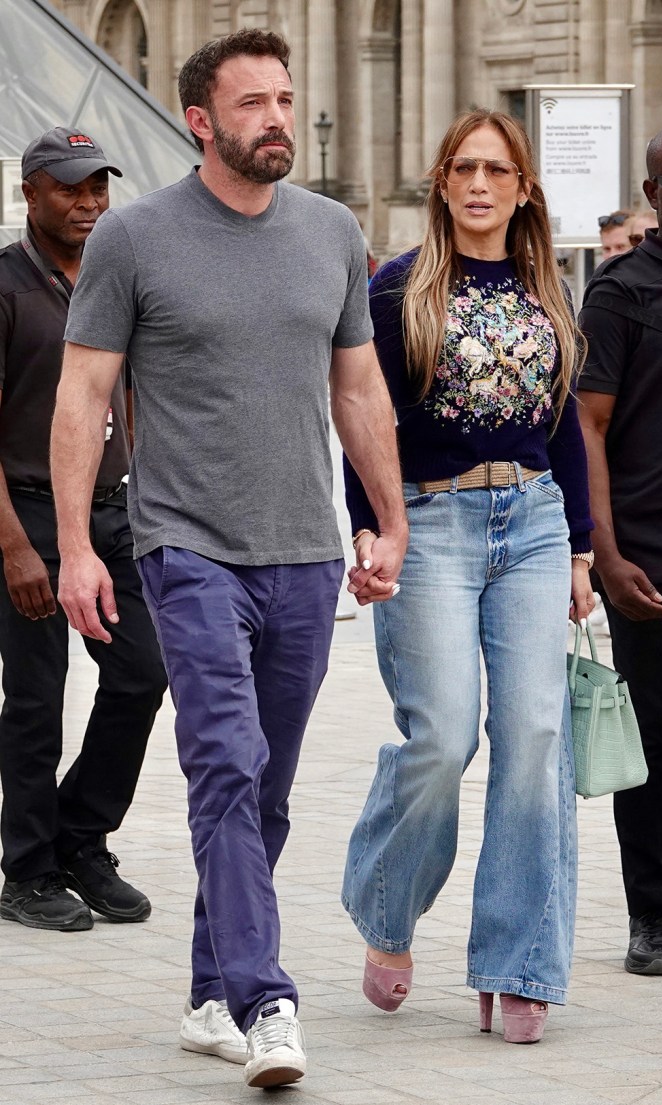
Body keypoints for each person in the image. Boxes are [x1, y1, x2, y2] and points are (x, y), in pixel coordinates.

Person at [49, 30, 407, 1090]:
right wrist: (76, 545)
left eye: (285, 97)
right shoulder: (137, 239)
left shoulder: (332, 233)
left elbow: (357, 390)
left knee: (269, 789)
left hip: (301, 547)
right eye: (252, 102)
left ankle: (210, 988)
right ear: (200, 120)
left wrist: (385, 520)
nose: (277, 117)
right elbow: (81, 398)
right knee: (225, 763)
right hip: (184, 542)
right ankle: (265, 997)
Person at [342, 109, 595, 1044]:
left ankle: (518, 964)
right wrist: (375, 527)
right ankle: (387, 905)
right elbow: (361, 412)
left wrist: (578, 545)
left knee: (534, 735)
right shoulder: (396, 290)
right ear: (442, 184)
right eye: (464, 169)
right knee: (443, 736)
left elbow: (564, 422)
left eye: (498, 170)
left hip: (530, 521)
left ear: (524, 188)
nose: (481, 184)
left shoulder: (550, 289)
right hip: (431, 520)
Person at [0, 128, 167, 933]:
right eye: (71, 187)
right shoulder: (5, 287)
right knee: (34, 696)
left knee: (144, 670)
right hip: (24, 513)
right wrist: (14, 548)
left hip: (112, 511)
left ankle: (78, 834)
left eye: (99, 185)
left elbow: (128, 393)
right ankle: (26, 868)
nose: (90, 201)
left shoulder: (118, 275)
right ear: (31, 193)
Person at [578, 122, 662, 976]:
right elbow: (589, 427)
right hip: (650, 556)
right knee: (653, 742)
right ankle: (656, 917)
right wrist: (604, 554)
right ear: (654, 196)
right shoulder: (623, 291)